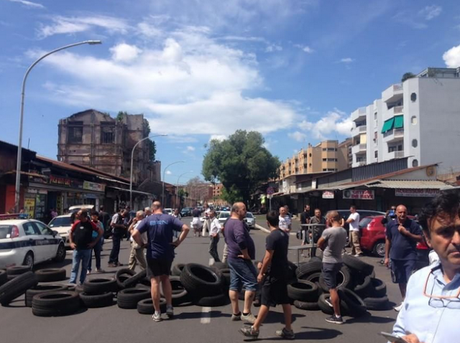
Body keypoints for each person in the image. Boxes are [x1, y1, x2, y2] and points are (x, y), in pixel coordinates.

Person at [390, 190, 460, 343]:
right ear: (428, 239)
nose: (457, 240)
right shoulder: (418, 280)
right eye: (446, 232)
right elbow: (399, 330)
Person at [240, 210, 294, 339]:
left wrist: (262, 272)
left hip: (273, 273)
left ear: (267, 222)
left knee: (266, 301)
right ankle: (288, 330)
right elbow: (270, 254)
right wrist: (262, 262)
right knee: (285, 301)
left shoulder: (271, 237)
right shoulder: (283, 234)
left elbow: (269, 256)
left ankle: (254, 329)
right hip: (283, 270)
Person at [132, 201, 189, 322]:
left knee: (155, 281)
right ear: (161, 208)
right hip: (167, 253)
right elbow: (186, 228)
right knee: (166, 279)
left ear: (152, 210)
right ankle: (169, 307)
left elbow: (134, 233)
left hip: (153, 253)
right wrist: (177, 242)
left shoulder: (147, 220)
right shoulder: (169, 218)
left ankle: (157, 312)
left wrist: (142, 244)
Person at [385, 204, 423, 312]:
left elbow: (420, 238)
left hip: (410, 257)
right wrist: (387, 257)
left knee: (410, 281)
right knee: (400, 281)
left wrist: (407, 233)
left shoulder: (413, 224)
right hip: (395, 257)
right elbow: (388, 240)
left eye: (404, 212)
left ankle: (412, 303)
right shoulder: (391, 224)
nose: (402, 214)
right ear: (396, 213)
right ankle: (404, 301)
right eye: (400, 212)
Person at [224, 202, 258, 324]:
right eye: (243, 209)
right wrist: (245, 253)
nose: (245, 211)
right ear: (236, 211)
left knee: (234, 284)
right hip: (240, 258)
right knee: (252, 282)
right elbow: (240, 238)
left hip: (232, 257)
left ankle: (235, 312)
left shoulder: (228, 222)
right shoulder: (237, 223)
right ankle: (246, 313)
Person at [317, 210, 347, 324]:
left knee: (332, 289)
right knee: (333, 285)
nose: (327, 220)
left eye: (327, 219)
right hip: (338, 260)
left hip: (329, 261)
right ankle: (332, 299)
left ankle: (337, 316)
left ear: (331, 219)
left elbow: (319, 242)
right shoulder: (343, 231)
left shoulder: (328, 231)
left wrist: (323, 248)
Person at [69, 210, 103, 284]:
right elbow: (71, 232)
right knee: (74, 267)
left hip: (86, 249)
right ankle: (72, 282)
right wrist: (71, 242)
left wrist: (94, 242)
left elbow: (100, 232)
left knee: (84, 267)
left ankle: (82, 282)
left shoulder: (90, 224)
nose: (76, 215)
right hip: (77, 249)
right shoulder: (76, 223)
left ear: (83, 216)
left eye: (78, 214)